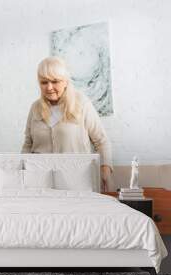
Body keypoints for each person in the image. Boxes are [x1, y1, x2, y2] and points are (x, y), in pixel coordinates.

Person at [21, 56, 112, 192]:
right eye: (44, 82)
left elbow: (101, 141)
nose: (49, 87)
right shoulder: (35, 108)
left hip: (77, 181)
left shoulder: (81, 103)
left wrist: (105, 168)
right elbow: (28, 144)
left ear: (65, 82)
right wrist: (22, 171)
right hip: (39, 183)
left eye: (55, 81)